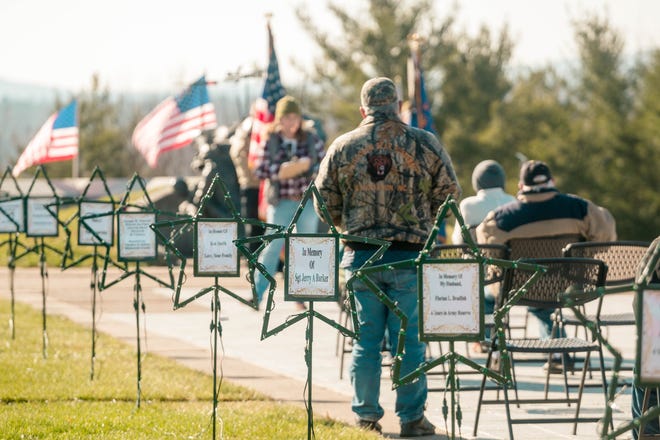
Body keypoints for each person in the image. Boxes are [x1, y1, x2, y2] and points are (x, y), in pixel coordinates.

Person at [314, 77, 461, 437]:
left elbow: (321, 200)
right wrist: (422, 217)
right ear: (396, 105)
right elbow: (450, 193)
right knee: (408, 342)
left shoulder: (343, 146)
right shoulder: (424, 143)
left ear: (363, 110)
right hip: (409, 256)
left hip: (361, 256)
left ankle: (365, 417)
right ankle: (412, 419)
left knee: (365, 342)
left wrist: (345, 222)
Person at [476, 159, 617, 371]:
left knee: (487, 295)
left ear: (521, 187)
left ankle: (494, 349)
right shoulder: (581, 208)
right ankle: (558, 351)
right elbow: (605, 235)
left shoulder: (501, 218)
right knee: (545, 301)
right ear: (552, 181)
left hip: (520, 288)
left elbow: (490, 254)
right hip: (568, 286)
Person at [252, 95, 325, 306]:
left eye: (295, 117)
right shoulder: (271, 141)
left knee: (305, 247)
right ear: (279, 120)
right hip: (281, 201)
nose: (291, 122)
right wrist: (282, 171)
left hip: (306, 202)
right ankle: (257, 293)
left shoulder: (311, 139)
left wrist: (307, 168)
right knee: (272, 245)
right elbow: (259, 168)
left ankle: (302, 293)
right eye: (287, 118)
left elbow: (325, 164)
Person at [451, 159, 516, 353]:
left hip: (476, 274)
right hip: (506, 273)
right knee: (493, 283)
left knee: (482, 283)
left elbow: (458, 240)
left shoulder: (468, 205)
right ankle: (491, 334)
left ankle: (483, 337)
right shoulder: (512, 202)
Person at [229, 108, 264, 251]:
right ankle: (253, 262)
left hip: (260, 186)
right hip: (253, 185)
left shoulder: (250, 127)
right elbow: (239, 155)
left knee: (266, 227)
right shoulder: (249, 128)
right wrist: (253, 173)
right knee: (254, 227)